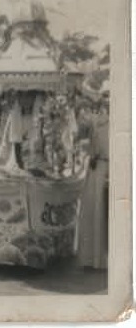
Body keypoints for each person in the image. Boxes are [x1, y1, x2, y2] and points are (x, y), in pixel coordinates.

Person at [77, 88, 109, 269]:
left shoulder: (103, 124)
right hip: (95, 167)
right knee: (91, 210)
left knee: (97, 210)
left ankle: (97, 258)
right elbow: (88, 144)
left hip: (100, 167)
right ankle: (91, 258)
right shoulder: (95, 123)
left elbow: (95, 147)